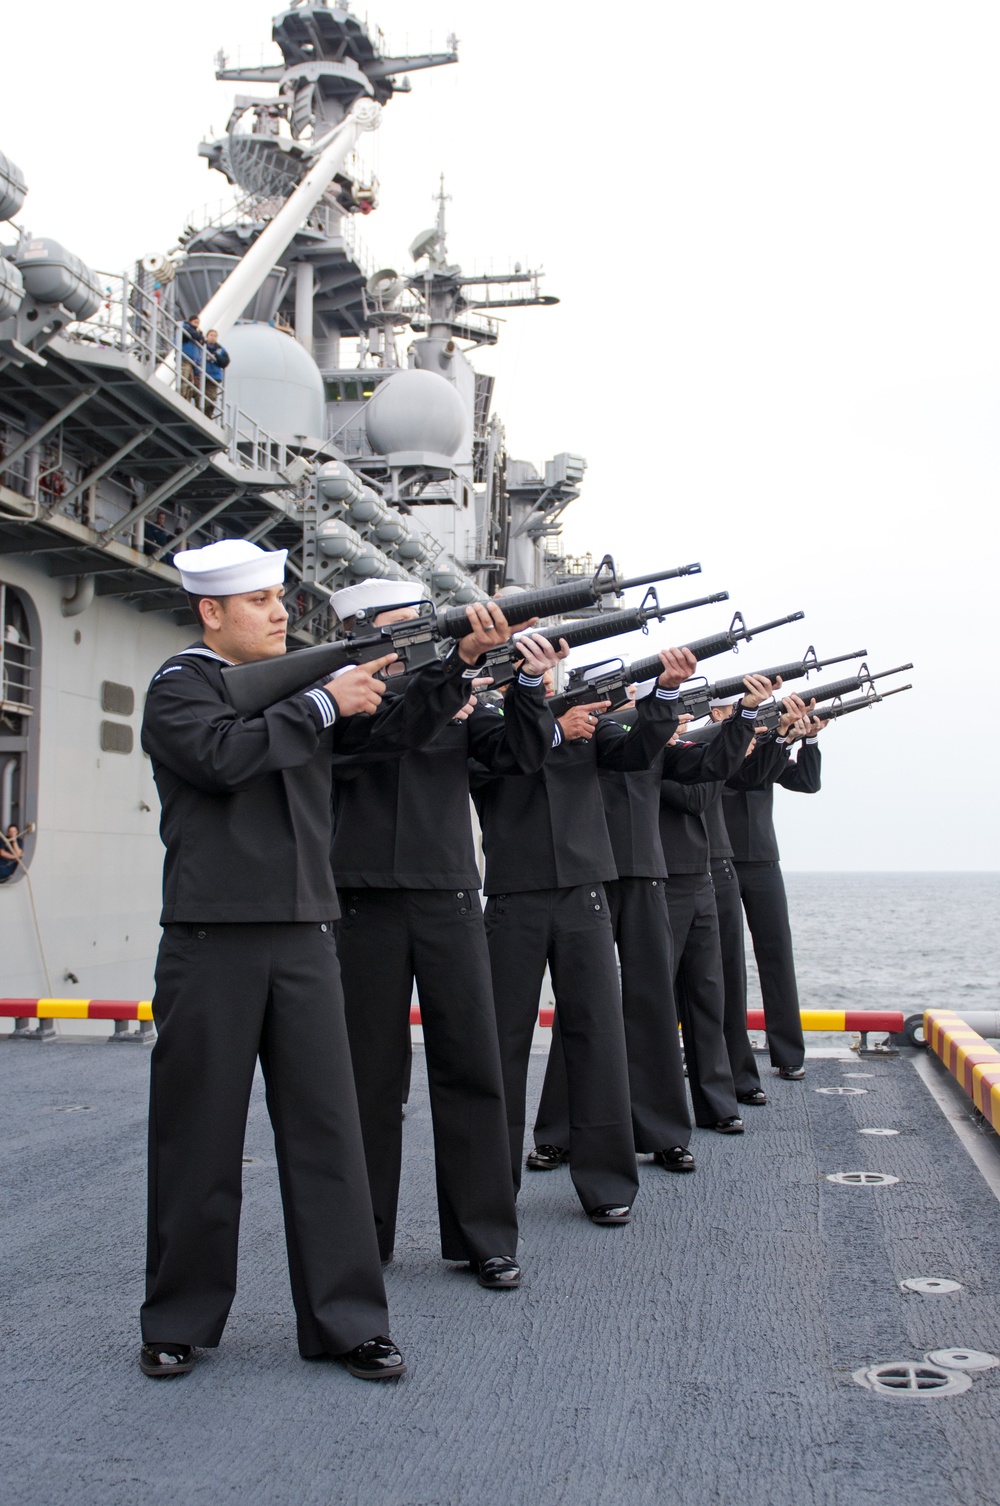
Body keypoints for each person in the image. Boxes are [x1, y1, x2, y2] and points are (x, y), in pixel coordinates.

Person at [138, 539, 483, 1383]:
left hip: (305, 936)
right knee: (199, 1138)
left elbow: (390, 737)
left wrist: (453, 665)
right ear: (210, 612)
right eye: (258, 600)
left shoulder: (298, 687)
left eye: (279, 597)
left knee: (330, 1135)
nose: (280, 611)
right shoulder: (177, 686)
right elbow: (222, 757)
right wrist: (323, 705)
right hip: (212, 938)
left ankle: (347, 1321)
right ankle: (177, 1320)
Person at [329, 579, 562, 1289]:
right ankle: (362, 1236)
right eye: (408, 625)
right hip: (364, 898)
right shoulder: (344, 692)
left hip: (448, 896)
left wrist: (525, 682)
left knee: (473, 1065)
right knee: (368, 1078)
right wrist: (458, 668)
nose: (428, 633)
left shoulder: (456, 686)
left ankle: (483, 1236)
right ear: (366, 631)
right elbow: (389, 731)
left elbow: (519, 756)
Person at [472, 648, 695, 1229]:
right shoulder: (485, 718)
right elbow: (499, 762)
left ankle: (606, 1183)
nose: (543, 678)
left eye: (546, 671)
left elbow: (636, 753)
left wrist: (664, 694)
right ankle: (492, 1191)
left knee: (598, 1036)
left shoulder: (584, 723)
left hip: (584, 891)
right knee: (501, 1047)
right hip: (515, 894)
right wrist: (550, 729)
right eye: (531, 671)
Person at [529, 672, 775, 1175]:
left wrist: (746, 716)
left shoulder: (656, 736)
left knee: (654, 1007)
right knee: (584, 1009)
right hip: (590, 868)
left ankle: (663, 1131)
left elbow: (710, 770)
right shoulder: (583, 729)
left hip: (644, 871)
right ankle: (558, 1131)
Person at [720, 702, 825, 1080]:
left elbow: (807, 783)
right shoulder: (717, 747)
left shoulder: (768, 747)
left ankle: (789, 1054)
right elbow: (745, 775)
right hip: (720, 861)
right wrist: (779, 739)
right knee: (719, 963)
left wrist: (808, 741)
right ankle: (713, 1051)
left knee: (777, 953)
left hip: (763, 860)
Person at [203, 329, 230, 418]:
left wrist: (216, 357)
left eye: (215, 335)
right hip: (200, 374)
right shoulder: (201, 345)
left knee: (211, 397)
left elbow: (225, 362)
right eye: (211, 335)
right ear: (207, 336)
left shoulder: (220, 350)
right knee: (198, 395)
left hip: (213, 376)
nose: (213, 337)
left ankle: (207, 415)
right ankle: (199, 411)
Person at [180, 314, 205, 406]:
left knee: (191, 385)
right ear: (190, 321)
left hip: (193, 363)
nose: (197, 324)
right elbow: (193, 333)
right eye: (195, 322)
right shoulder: (186, 328)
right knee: (184, 381)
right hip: (185, 360)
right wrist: (200, 337)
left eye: (198, 322)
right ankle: (181, 399)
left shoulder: (196, 335)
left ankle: (187, 402)